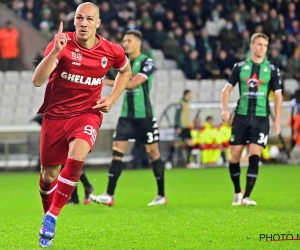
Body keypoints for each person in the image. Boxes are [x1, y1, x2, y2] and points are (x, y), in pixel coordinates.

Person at [32, 2, 131, 248]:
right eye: (79, 18)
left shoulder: (111, 50)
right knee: (48, 176)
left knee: (77, 158)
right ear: (74, 20)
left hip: (88, 114)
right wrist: (54, 53)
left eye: (89, 19)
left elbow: (125, 70)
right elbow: (37, 81)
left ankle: (53, 216)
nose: (83, 23)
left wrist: (112, 98)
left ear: (98, 23)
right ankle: (47, 215)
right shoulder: (62, 43)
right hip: (55, 116)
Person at [90, 30, 166, 207]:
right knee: (117, 153)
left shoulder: (147, 62)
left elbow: (132, 84)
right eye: (124, 41)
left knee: (153, 153)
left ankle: (161, 195)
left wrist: (107, 82)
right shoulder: (123, 64)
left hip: (144, 116)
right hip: (126, 117)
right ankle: (109, 194)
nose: (126, 44)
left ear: (138, 42)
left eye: (129, 40)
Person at [221, 33, 282, 206]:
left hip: (261, 118)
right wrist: (224, 110)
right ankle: (237, 191)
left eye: (265, 45)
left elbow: (278, 96)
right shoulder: (240, 67)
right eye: (259, 44)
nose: (262, 48)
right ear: (252, 46)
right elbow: (226, 90)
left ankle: (247, 196)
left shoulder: (272, 69)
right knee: (234, 157)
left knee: (255, 153)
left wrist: (277, 120)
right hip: (241, 116)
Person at [166, 90, 193, 168]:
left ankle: (188, 163)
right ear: (186, 94)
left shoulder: (188, 103)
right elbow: (177, 115)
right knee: (175, 144)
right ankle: (168, 161)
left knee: (190, 144)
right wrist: (178, 126)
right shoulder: (180, 103)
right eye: (190, 94)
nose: (191, 96)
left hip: (187, 127)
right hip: (181, 127)